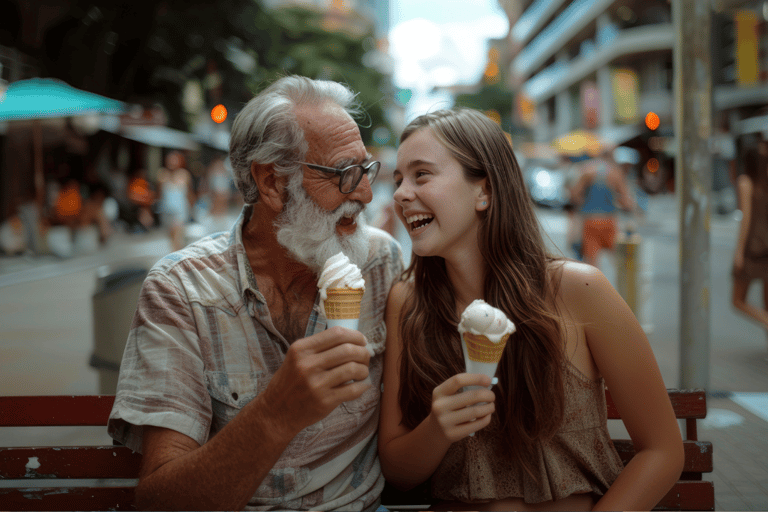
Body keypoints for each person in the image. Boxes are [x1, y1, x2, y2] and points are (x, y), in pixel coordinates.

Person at [108, 76, 403, 511]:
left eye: (367, 169)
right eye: (345, 174)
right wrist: (276, 414)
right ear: (271, 183)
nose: (365, 193)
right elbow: (159, 502)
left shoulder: (380, 262)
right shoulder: (182, 290)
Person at [378, 108, 683, 511]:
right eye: (398, 180)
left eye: (422, 175)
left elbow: (662, 451)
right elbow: (397, 471)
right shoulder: (407, 302)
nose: (400, 193)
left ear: (483, 190)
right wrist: (437, 428)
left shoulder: (580, 289)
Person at [570, 147, 636, 268]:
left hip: (590, 221)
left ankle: (593, 286)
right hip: (609, 221)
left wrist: (586, 201)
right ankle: (623, 284)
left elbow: (574, 195)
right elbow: (627, 202)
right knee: (620, 261)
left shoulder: (587, 171)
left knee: (592, 264)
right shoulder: (615, 173)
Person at [732, 131, 768, 351]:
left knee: (737, 300)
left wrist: (738, 251)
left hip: (753, 247)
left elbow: (745, 219)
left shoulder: (746, 182)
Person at [157, 151, 194, 251]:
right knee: (171, 236)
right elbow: (160, 194)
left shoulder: (184, 175)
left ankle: (176, 257)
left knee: (177, 236)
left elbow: (189, 194)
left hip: (180, 210)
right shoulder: (162, 174)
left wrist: (192, 209)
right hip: (167, 210)